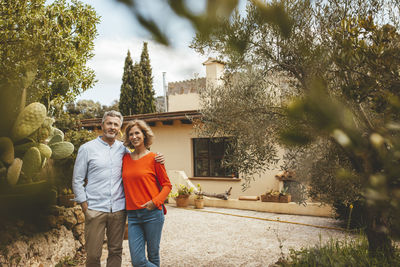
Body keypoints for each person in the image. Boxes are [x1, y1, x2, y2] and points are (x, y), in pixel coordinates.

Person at [72, 111, 164, 267]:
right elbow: (77, 179)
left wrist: (158, 157)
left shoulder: (124, 150)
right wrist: (84, 205)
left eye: (116, 124)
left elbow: (140, 157)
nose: (112, 127)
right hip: (95, 208)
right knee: (93, 254)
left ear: (120, 128)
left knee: (115, 251)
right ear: (102, 125)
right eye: (109, 123)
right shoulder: (87, 149)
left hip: (119, 210)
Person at [122, 120, 172, 267]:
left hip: (152, 213)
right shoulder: (124, 159)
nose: (134, 136)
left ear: (144, 135)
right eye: (130, 134)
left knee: (153, 255)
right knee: (137, 261)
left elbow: (167, 185)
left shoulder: (155, 158)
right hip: (132, 216)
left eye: (137, 133)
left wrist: (155, 202)